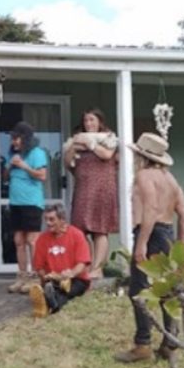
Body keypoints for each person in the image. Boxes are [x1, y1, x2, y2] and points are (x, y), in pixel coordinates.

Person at [115, 133, 184, 363]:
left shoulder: (144, 175)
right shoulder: (171, 180)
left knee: (139, 291)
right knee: (167, 291)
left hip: (150, 232)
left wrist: (142, 243)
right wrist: (180, 245)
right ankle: (170, 343)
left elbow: (150, 209)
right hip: (167, 235)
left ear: (141, 156)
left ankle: (143, 344)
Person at [64, 108, 119, 279]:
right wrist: (74, 145)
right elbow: (68, 163)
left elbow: (107, 155)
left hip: (102, 189)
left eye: (92, 120)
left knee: (100, 230)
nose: (89, 124)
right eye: (86, 120)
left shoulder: (108, 138)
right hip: (83, 188)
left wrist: (90, 144)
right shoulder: (78, 137)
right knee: (79, 230)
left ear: (100, 122)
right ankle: (85, 266)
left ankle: (98, 268)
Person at [6, 122, 48, 294]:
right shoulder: (13, 154)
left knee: (32, 240)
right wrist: (10, 166)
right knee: (19, 241)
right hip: (15, 202)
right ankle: (22, 276)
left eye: (16, 138)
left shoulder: (37, 153)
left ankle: (36, 276)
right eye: (12, 139)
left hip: (31, 202)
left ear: (25, 138)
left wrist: (24, 166)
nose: (14, 142)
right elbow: (6, 176)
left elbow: (42, 176)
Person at [28, 204, 91, 317]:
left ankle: (47, 303)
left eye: (52, 219)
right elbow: (39, 267)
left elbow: (82, 264)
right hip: (53, 279)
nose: (48, 223)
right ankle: (52, 301)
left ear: (62, 219)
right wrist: (46, 275)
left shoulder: (77, 235)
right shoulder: (42, 239)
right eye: (46, 219)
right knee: (54, 287)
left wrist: (70, 274)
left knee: (67, 289)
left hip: (76, 279)